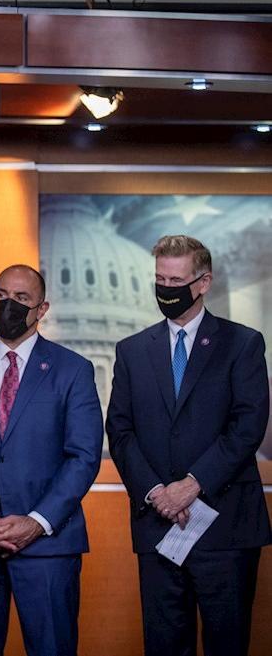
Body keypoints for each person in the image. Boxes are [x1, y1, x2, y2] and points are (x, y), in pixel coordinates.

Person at [107, 235, 271, 656]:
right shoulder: (131, 351)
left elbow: (247, 425)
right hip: (157, 525)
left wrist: (192, 484)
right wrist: (157, 492)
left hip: (226, 528)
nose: (166, 288)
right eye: (159, 278)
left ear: (203, 282)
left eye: (175, 279)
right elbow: (120, 431)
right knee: (163, 645)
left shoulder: (243, 343)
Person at [0, 265, 103, 656]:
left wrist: (37, 521)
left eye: (21, 299)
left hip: (48, 547)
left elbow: (82, 456)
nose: (7, 305)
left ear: (41, 309)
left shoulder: (73, 370)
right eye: (0, 295)